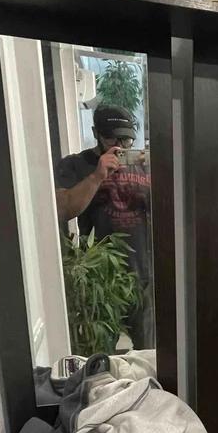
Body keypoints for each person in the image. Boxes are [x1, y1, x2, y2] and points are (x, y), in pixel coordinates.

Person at [54, 104, 153, 347]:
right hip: (100, 280)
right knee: (100, 352)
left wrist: (159, 174)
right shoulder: (76, 164)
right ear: (95, 133)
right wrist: (97, 176)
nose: (120, 146)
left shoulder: (142, 164)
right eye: (112, 139)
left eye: (126, 139)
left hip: (142, 275)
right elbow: (62, 209)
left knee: (149, 353)